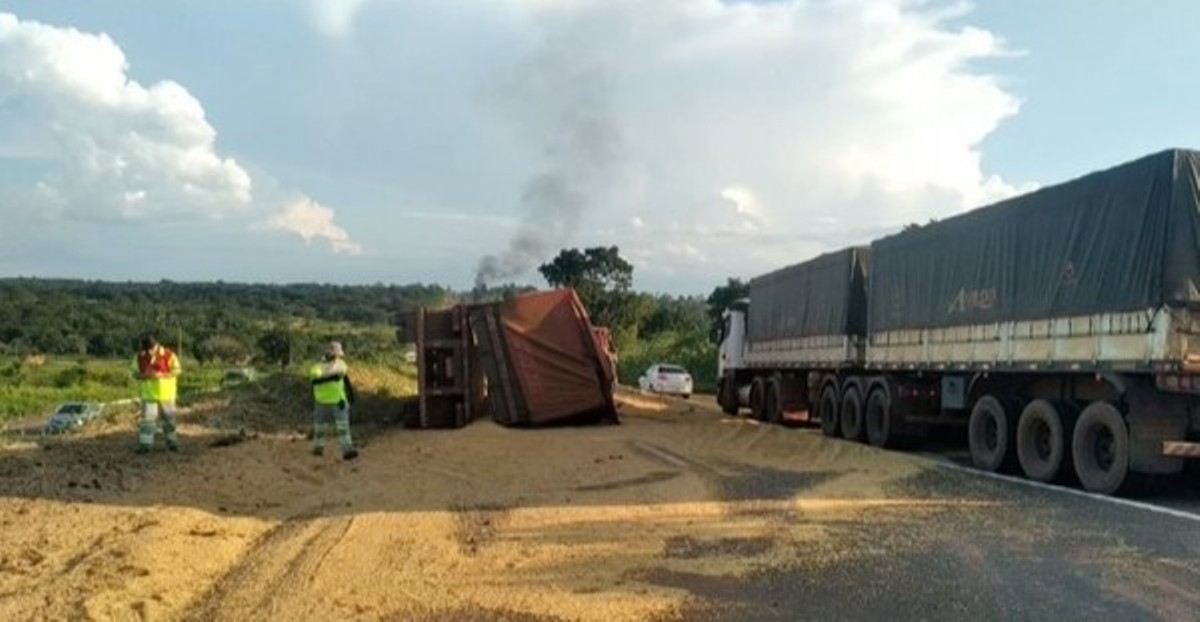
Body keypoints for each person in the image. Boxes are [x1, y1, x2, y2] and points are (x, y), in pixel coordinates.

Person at [130, 333, 182, 453]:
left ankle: (172, 444)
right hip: (149, 395)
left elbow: (177, 370)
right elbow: (133, 373)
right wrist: (144, 376)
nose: (148, 352)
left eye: (150, 350)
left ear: (156, 346)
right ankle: (145, 446)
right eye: (146, 350)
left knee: (169, 421)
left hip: (167, 395)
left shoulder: (169, 355)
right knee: (147, 422)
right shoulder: (139, 357)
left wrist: (163, 375)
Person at [309, 341, 358, 460]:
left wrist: (350, 396)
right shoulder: (322, 366)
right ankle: (320, 449)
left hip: (332, 401)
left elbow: (342, 377)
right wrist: (332, 377)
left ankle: (346, 450)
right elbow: (316, 379)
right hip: (329, 401)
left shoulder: (334, 365)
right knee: (327, 428)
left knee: (337, 428)